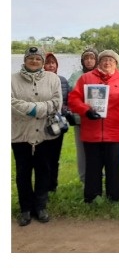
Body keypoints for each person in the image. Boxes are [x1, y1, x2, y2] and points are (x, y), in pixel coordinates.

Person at [68, 49, 119, 204]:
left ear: (116, 64)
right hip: (91, 131)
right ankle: (92, 196)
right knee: (93, 166)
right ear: (99, 62)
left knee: (113, 166)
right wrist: (86, 110)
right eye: (104, 59)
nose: (107, 63)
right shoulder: (86, 78)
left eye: (111, 60)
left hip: (114, 132)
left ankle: (114, 196)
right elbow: (73, 99)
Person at [12, 46, 62, 225]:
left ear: (42, 62)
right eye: (31, 58)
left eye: (38, 59)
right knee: (23, 172)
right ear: (25, 60)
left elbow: (56, 102)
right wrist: (34, 109)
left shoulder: (53, 79)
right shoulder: (11, 80)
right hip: (21, 134)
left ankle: (40, 206)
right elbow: (10, 102)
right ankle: (25, 209)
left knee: (43, 171)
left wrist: (35, 109)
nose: (34, 61)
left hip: (45, 134)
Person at [68, 47, 98, 184]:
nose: (89, 61)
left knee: (97, 149)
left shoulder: (101, 74)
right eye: (86, 58)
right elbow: (71, 95)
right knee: (82, 150)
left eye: (92, 58)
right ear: (82, 61)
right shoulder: (76, 76)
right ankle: (84, 177)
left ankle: (99, 173)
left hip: (97, 119)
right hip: (80, 119)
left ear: (96, 60)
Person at [43, 52, 70, 192]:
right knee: (43, 156)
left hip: (58, 122)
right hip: (41, 123)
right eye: (47, 63)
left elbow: (68, 101)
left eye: (53, 63)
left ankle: (53, 185)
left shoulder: (63, 80)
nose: (51, 65)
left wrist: (64, 110)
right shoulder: (39, 81)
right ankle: (43, 184)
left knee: (55, 155)